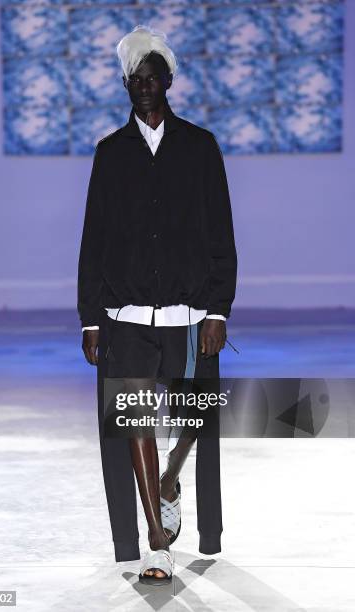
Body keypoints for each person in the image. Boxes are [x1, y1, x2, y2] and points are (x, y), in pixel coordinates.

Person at [77, 25, 237, 584]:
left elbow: (221, 232)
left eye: (152, 77)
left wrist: (219, 309)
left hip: (190, 316)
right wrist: (89, 317)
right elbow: (93, 239)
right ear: (126, 85)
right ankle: (155, 540)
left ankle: (169, 480)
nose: (143, 86)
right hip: (124, 318)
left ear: (169, 81)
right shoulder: (110, 154)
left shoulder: (199, 147)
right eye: (133, 79)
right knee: (136, 418)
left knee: (195, 417)